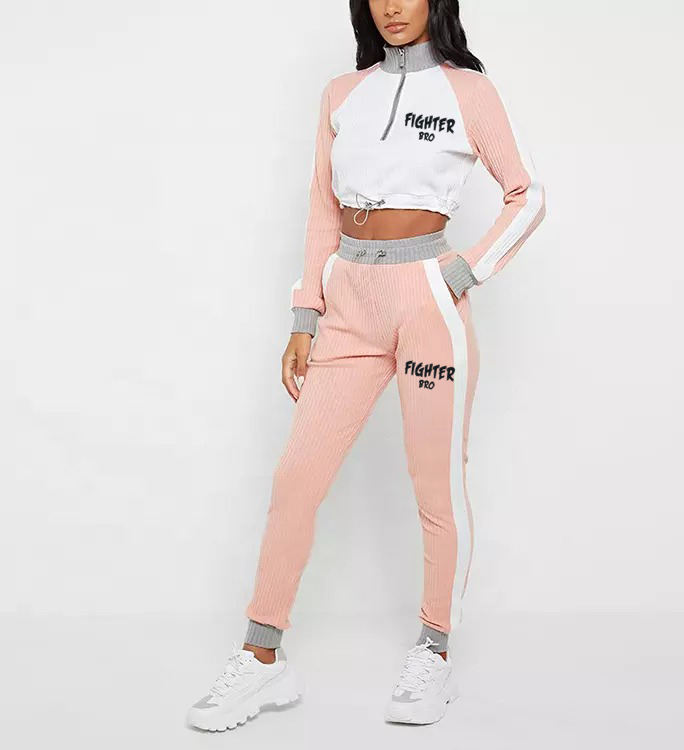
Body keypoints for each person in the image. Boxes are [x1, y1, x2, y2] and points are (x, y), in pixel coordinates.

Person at [187, 0, 545, 730]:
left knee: (435, 485)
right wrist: (305, 314)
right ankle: (262, 657)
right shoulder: (342, 95)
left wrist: (464, 272)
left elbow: (527, 196)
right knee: (296, 479)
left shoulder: (468, 91)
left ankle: (435, 650)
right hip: (348, 301)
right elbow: (322, 210)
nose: (392, 5)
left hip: (428, 302)